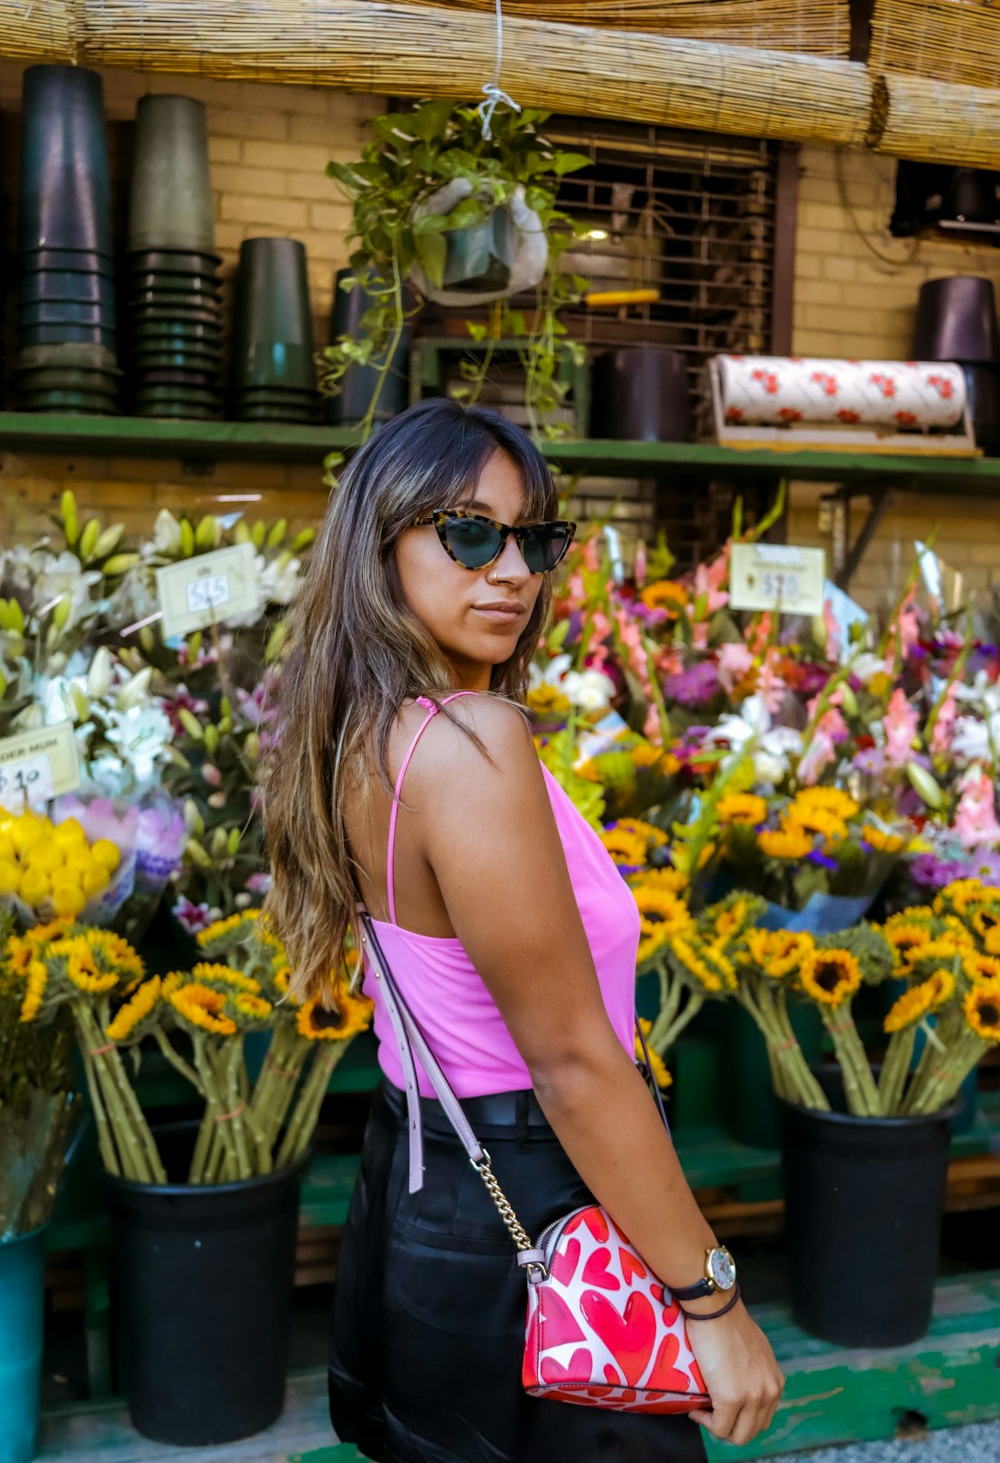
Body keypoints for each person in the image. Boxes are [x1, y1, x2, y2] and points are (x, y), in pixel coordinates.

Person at [261, 398, 784, 1463]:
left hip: (421, 1184)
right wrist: (711, 1298)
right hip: (534, 1206)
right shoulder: (471, 742)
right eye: (467, 533)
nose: (510, 570)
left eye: (534, 539)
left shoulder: (366, 732)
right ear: (382, 543)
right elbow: (573, 1062)